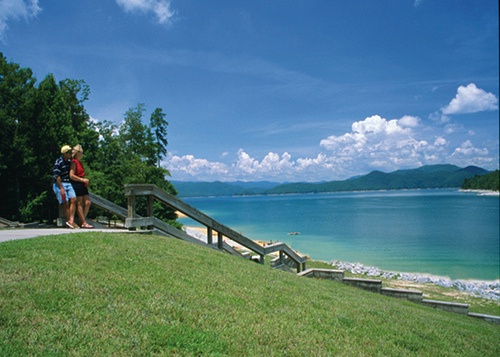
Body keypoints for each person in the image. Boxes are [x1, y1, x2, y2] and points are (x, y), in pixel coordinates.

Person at [53, 145, 78, 229]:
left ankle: (71, 220)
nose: (71, 153)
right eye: (70, 152)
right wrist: (61, 188)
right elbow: (57, 176)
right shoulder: (59, 162)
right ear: (65, 154)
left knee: (74, 199)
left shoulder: (70, 161)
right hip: (59, 184)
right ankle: (71, 221)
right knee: (65, 201)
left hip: (68, 183)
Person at [69, 144, 93, 228]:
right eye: (81, 152)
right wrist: (81, 180)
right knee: (79, 203)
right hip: (76, 183)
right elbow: (71, 175)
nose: (82, 154)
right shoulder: (74, 162)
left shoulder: (80, 163)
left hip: (82, 184)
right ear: (77, 152)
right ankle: (83, 222)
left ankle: (82, 220)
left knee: (87, 202)